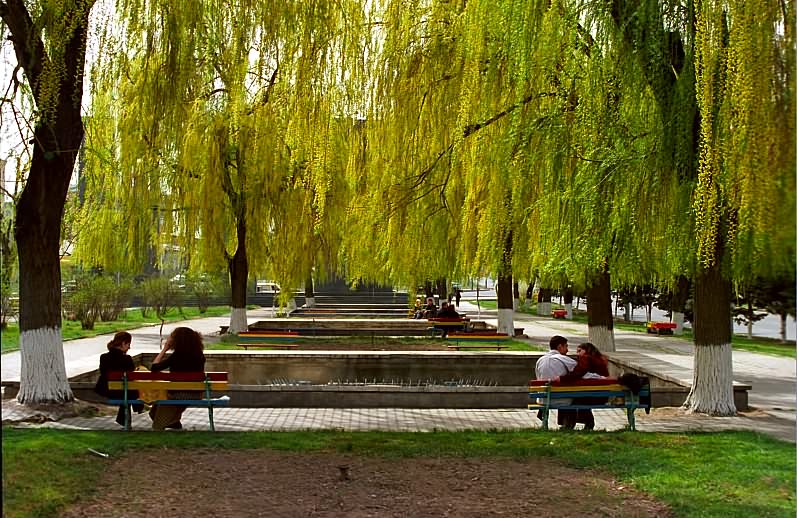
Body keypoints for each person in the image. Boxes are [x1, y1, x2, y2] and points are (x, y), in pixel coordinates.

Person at [148, 327, 206, 431]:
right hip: (196, 394)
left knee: (155, 410)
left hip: (177, 394)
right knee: (158, 408)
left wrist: (165, 349)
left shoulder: (176, 356)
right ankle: (175, 423)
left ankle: (166, 424)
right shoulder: (199, 355)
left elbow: (154, 368)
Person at [554, 342, 610, 430]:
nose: (578, 354)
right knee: (578, 399)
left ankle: (568, 424)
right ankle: (588, 423)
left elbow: (579, 373)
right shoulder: (599, 359)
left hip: (593, 395)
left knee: (569, 400)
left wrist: (562, 378)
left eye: (579, 351)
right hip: (602, 395)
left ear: (586, 350)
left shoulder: (586, 358)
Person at [95, 331, 143, 428]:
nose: (129, 347)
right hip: (123, 392)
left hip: (107, 390)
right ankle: (136, 408)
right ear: (123, 343)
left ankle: (126, 420)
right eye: (129, 344)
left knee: (127, 391)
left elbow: (103, 374)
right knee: (129, 391)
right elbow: (131, 377)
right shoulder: (127, 359)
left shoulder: (103, 357)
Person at [534, 335, 578, 429]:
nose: (567, 350)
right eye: (566, 346)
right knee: (574, 396)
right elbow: (580, 372)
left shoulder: (540, 360)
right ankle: (568, 424)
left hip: (544, 399)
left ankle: (549, 422)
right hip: (562, 399)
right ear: (559, 347)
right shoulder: (563, 359)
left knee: (560, 392)